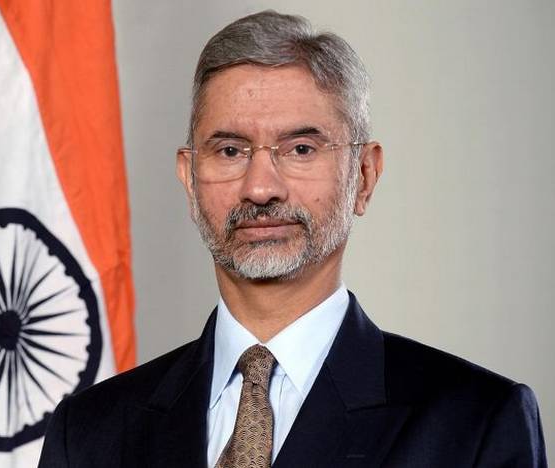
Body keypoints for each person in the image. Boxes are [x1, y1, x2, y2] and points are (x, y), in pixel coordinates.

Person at [38, 10, 546, 467]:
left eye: (301, 148)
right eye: (231, 151)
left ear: (363, 176)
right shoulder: (88, 433)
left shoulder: (474, 425)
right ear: (190, 180)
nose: (261, 188)